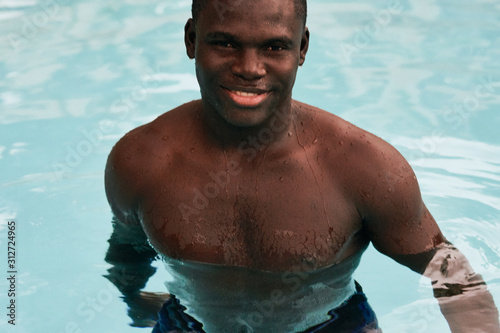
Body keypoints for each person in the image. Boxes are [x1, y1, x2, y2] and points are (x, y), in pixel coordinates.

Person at [104, 0, 500, 332]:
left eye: (274, 47)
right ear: (191, 39)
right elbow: (128, 245)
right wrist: (133, 297)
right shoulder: (139, 162)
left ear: (302, 47)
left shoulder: (364, 168)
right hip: (189, 323)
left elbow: (452, 275)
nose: (249, 68)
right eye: (225, 43)